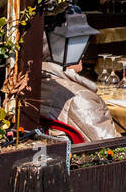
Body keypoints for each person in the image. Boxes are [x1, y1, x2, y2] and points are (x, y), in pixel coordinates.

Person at [38, 8, 120, 142]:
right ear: (59, 51)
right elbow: (109, 145)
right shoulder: (79, 98)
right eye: (77, 44)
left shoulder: (36, 82)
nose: (82, 52)